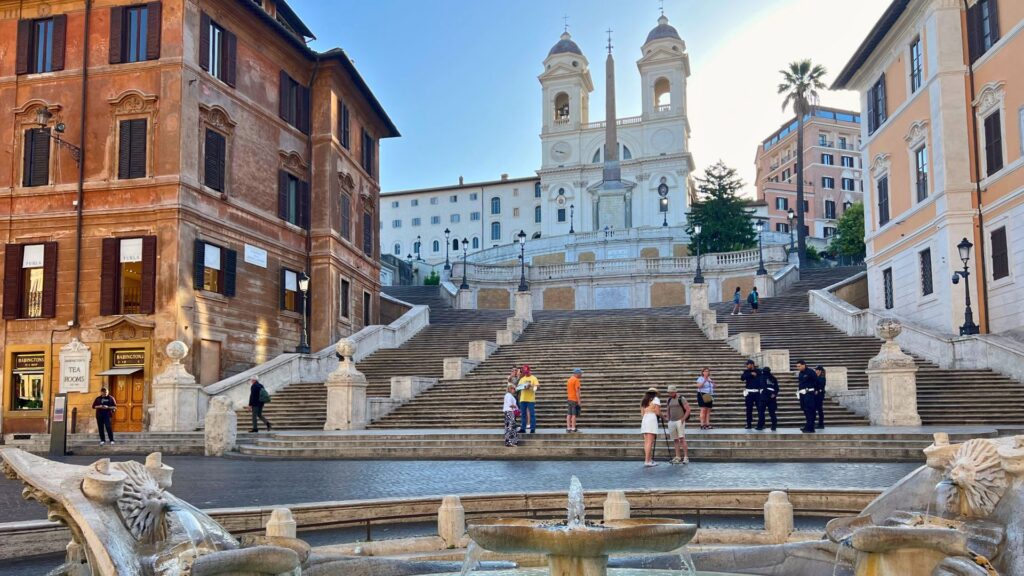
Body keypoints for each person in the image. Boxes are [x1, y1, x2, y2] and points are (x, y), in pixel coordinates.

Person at [664, 385, 691, 464]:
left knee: (682, 439)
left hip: (679, 420)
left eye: (671, 392)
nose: (670, 393)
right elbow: (668, 409)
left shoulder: (681, 399)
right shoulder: (669, 399)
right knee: (675, 440)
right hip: (672, 421)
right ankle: (677, 457)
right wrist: (668, 419)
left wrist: (683, 419)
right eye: (669, 392)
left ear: (675, 391)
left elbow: (688, 409)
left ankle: (686, 457)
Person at [640, 387, 662, 467]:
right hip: (651, 418)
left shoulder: (644, 400)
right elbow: (657, 412)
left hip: (645, 418)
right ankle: (647, 461)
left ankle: (648, 459)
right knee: (650, 441)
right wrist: (663, 417)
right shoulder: (656, 399)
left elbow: (642, 413)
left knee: (646, 441)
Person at [795, 360, 818, 433]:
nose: (798, 368)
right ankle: (808, 426)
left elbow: (816, 381)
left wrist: (816, 390)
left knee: (810, 410)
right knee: (805, 410)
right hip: (802, 394)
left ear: (803, 365)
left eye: (799, 366)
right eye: (797, 366)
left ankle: (811, 428)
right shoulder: (800, 373)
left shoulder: (810, 371)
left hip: (809, 394)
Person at [740, 360, 763, 430]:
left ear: (752, 365)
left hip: (757, 393)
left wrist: (756, 374)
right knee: (749, 409)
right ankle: (748, 424)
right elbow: (742, 378)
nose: (747, 366)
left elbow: (762, 376)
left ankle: (760, 424)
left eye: (748, 365)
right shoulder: (746, 372)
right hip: (749, 393)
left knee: (760, 409)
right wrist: (750, 374)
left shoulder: (759, 371)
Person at [517, 365, 539, 433]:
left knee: (532, 414)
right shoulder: (522, 379)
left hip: (530, 399)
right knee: (523, 414)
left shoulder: (533, 378)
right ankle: (523, 428)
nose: (526, 373)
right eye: (525, 372)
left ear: (529, 371)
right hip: (523, 399)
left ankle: (533, 428)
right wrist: (523, 387)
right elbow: (518, 388)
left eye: (527, 372)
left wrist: (532, 387)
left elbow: (537, 387)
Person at [757, 366, 780, 431]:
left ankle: (760, 426)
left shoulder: (762, 377)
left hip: (764, 397)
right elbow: (777, 388)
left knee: (761, 412)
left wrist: (770, 394)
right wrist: (774, 394)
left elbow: (763, 387)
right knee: (772, 412)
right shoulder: (773, 378)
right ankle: (774, 426)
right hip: (772, 398)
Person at [566, 368, 582, 432]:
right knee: (574, 414)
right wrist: (579, 401)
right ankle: (573, 428)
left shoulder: (569, 379)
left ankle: (568, 428)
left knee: (569, 414)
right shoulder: (576, 380)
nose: (581, 374)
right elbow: (577, 391)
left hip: (569, 398)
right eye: (580, 373)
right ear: (577, 373)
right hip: (574, 399)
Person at [814, 365, 827, 430]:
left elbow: (821, 387)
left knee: (819, 410)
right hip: (816, 395)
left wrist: (817, 391)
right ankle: (819, 423)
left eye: (816, 370)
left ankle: (821, 424)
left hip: (819, 395)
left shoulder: (822, 378)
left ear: (819, 371)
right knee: (817, 409)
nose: (815, 371)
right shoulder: (817, 377)